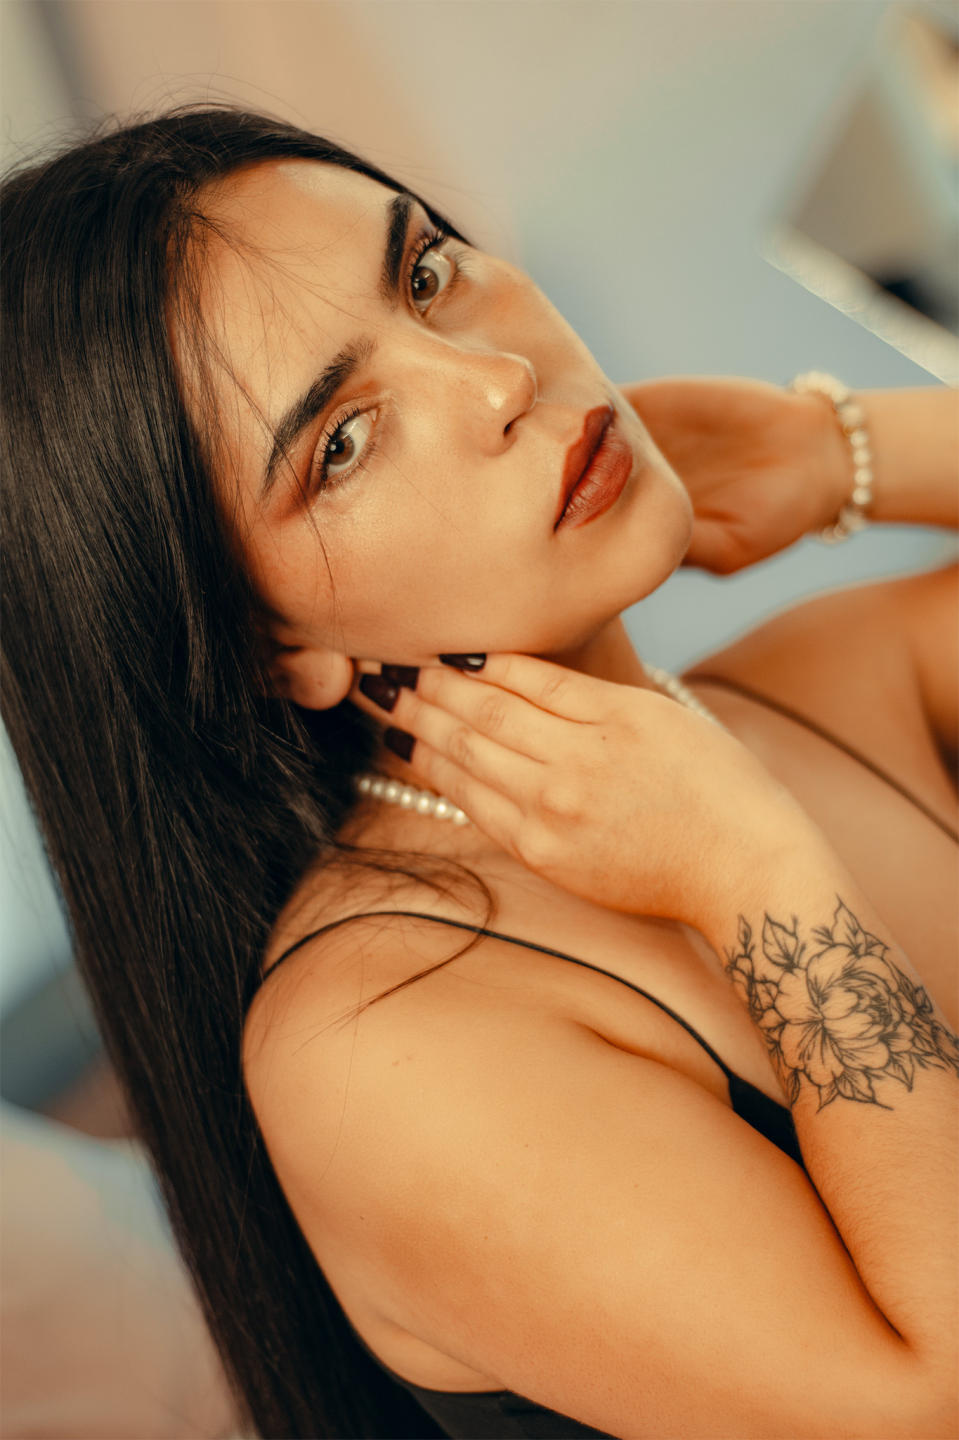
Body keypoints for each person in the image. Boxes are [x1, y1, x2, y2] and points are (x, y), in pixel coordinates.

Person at [1, 106, 956, 1440]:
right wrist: (757, 878)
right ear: (276, 648)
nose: (497, 377)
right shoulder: (378, 1042)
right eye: (341, 441)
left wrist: (841, 450)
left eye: (426, 273)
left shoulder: (825, 687)